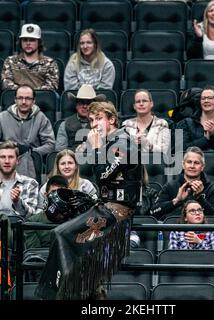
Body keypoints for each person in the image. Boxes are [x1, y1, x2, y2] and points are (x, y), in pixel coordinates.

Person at [36, 101, 143, 300]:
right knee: (85, 265)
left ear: (111, 119)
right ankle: (81, 291)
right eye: (91, 120)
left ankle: (54, 294)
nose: (93, 124)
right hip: (106, 208)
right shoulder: (110, 144)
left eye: (99, 118)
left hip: (117, 213)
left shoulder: (122, 142)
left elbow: (103, 175)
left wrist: (95, 149)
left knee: (61, 234)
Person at [0, 85, 56, 159]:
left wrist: (30, 152)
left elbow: (50, 145)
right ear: (15, 100)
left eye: (28, 98)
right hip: (6, 161)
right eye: (20, 98)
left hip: (31, 161)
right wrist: (10, 148)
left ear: (34, 101)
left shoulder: (41, 118)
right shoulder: (2, 117)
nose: (23, 102)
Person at [151, 146, 214, 220]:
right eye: (189, 162)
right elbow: (153, 212)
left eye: (196, 163)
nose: (192, 166)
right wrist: (176, 201)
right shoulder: (170, 186)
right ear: (183, 165)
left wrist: (200, 198)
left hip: (201, 230)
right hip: (175, 229)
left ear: (202, 167)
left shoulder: (212, 189)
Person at [0, 141, 39, 218]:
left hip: (19, 228)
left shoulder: (30, 183)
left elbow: (32, 217)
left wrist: (18, 202)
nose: (7, 161)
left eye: (11, 157)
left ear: (17, 161)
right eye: (3, 157)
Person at [176, 86, 214, 153]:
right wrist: (204, 139)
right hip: (192, 161)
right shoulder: (184, 123)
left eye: (210, 98)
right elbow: (179, 149)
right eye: (203, 98)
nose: (206, 101)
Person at [2, 23, 59, 91]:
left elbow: (51, 86)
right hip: (16, 99)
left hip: (40, 100)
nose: (28, 43)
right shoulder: (10, 61)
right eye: (25, 40)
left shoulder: (50, 63)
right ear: (20, 42)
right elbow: (6, 84)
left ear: (39, 42)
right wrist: (24, 93)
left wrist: (30, 94)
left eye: (32, 40)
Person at [55, 84, 106, 152]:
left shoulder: (101, 124)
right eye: (81, 102)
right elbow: (59, 150)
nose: (85, 106)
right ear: (76, 105)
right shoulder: (64, 125)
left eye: (88, 103)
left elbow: (105, 148)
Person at [25, 175, 69, 249]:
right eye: (53, 192)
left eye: (61, 192)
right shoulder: (33, 222)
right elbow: (34, 254)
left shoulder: (74, 219)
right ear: (46, 195)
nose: (57, 196)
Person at [122, 89, 171, 154]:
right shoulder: (126, 124)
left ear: (151, 104)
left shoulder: (162, 124)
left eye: (144, 101)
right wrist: (132, 144)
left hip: (154, 163)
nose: (141, 104)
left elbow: (163, 152)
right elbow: (122, 150)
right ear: (134, 106)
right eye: (138, 101)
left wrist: (145, 143)